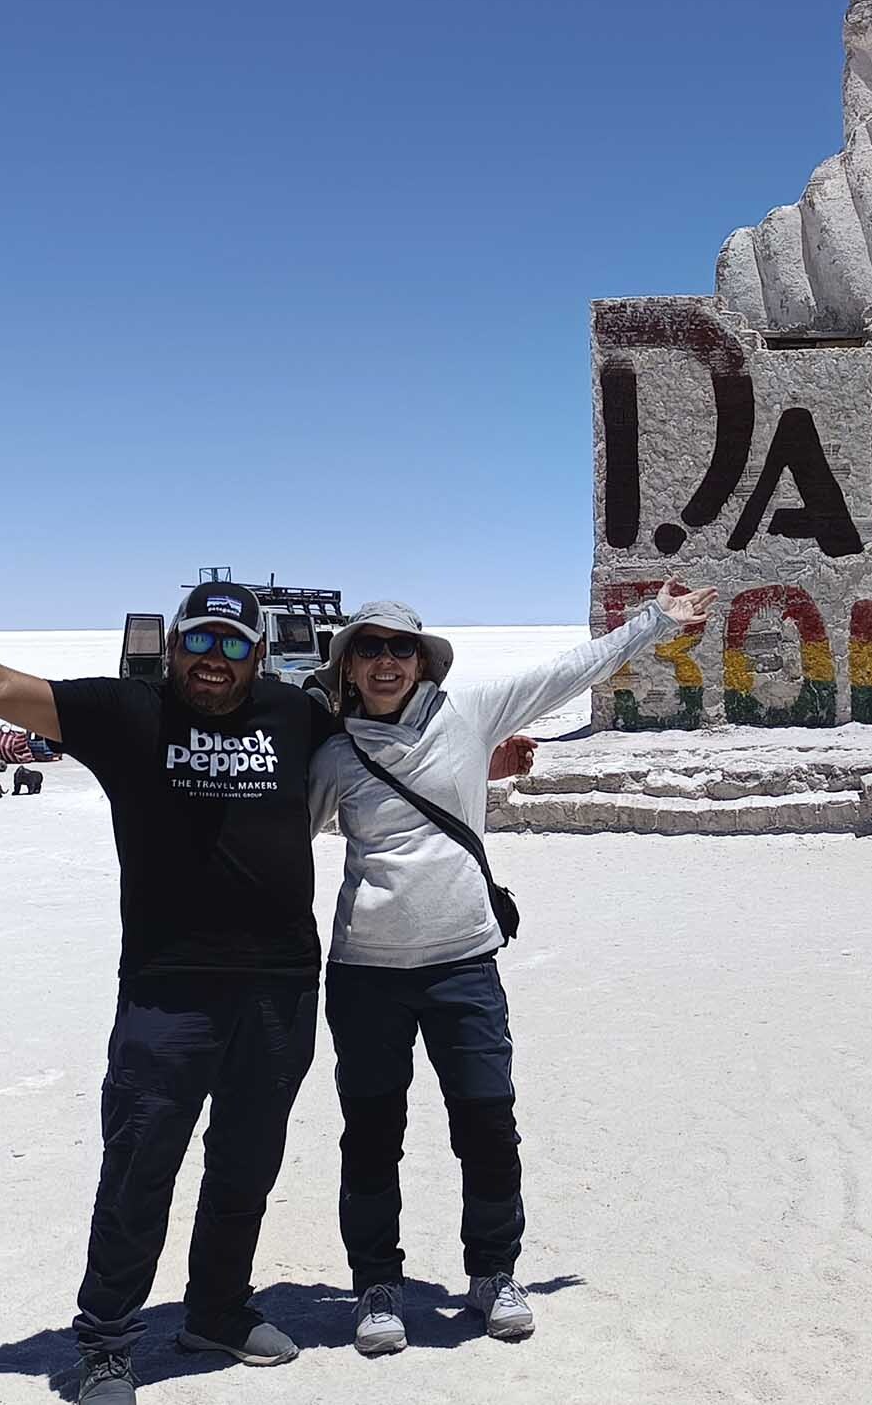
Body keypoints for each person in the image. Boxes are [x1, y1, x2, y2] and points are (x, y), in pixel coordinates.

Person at [0, 559, 530, 1405]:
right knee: (140, 1164)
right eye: (198, 640)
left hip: (281, 989)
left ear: (258, 654)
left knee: (245, 1166)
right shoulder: (126, 713)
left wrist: (490, 770)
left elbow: (386, 766)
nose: (213, 657)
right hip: (168, 989)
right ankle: (108, 1343)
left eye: (231, 641)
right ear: (174, 647)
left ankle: (217, 1309)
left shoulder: (298, 714)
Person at [309, 580, 716, 1355]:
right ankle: (376, 1286)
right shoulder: (335, 753)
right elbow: (279, 834)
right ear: (349, 667)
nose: (387, 662)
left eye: (401, 649)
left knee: (488, 1126)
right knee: (371, 1134)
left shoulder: (469, 716)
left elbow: (567, 672)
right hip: (366, 974)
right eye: (370, 649)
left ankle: (493, 1273)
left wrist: (653, 622)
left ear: (423, 662)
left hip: (463, 963)